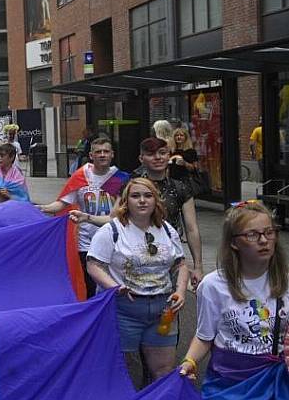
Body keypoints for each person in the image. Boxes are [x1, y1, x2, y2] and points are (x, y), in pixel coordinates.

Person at [179, 201, 289, 400]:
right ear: (234, 243)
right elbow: (204, 336)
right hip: (230, 382)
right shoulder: (214, 285)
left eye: (269, 232)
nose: (264, 240)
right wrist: (189, 361)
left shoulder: (285, 283)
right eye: (253, 234)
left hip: (272, 382)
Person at [87, 177, 189, 386]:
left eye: (148, 195)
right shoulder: (112, 231)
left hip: (163, 311)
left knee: (163, 372)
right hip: (125, 309)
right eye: (136, 196)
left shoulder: (167, 230)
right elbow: (93, 264)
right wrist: (114, 286)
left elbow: (180, 264)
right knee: (126, 374)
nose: (142, 201)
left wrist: (181, 291)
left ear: (155, 200)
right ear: (126, 201)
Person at [38, 137, 130, 298]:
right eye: (98, 152)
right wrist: (40, 208)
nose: (102, 155)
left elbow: (115, 216)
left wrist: (87, 217)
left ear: (112, 155)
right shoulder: (81, 176)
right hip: (87, 243)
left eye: (106, 151)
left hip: (114, 241)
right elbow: (61, 204)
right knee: (90, 287)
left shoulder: (120, 178)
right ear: (91, 155)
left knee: (113, 286)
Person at [133, 137, 204, 285]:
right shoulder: (132, 187)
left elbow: (192, 229)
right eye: (151, 154)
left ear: (169, 156)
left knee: (171, 303)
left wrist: (198, 267)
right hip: (136, 256)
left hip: (170, 257)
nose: (158, 157)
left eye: (162, 152)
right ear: (141, 158)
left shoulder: (180, 188)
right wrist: (88, 218)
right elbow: (115, 218)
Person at [168, 126, 201, 193]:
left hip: (186, 181)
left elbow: (195, 168)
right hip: (172, 180)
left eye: (181, 135)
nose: (179, 137)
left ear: (185, 137)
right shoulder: (171, 151)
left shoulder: (191, 151)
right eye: (176, 135)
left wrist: (185, 163)